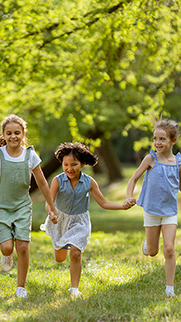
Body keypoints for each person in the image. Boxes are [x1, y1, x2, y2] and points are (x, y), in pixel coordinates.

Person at [0, 114, 57, 298]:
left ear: (23, 134)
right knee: (7, 247)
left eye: (17, 132)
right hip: (1, 207)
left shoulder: (30, 155)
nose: (13, 136)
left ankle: (20, 287)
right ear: (3, 134)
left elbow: (42, 183)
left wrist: (52, 207)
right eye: (9, 133)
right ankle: (6, 255)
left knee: (23, 247)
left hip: (22, 207)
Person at [41, 142, 134, 296]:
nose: (69, 168)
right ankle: (59, 247)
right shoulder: (57, 180)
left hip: (79, 221)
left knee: (76, 253)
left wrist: (122, 206)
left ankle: (74, 289)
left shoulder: (89, 182)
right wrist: (52, 213)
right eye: (66, 164)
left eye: (74, 164)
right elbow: (49, 202)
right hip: (59, 220)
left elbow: (103, 202)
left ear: (82, 164)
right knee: (59, 258)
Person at [126, 117, 181, 297]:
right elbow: (133, 179)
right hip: (151, 210)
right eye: (155, 139)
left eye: (162, 139)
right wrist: (129, 196)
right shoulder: (151, 158)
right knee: (152, 252)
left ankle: (169, 288)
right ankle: (148, 244)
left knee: (170, 249)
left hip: (170, 212)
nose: (157, 142)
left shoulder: (178, 162)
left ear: (173, 141)